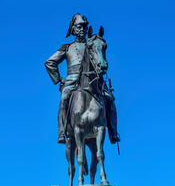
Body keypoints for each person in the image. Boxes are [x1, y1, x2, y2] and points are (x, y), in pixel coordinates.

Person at [45, 13, 120, 145]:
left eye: (84, 27)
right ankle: (62, 131)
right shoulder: (67, 48)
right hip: (72, 79)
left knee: (110, 98)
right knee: (64, 99)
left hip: (94, 79)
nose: (83, 30)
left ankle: (113, 132)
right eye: (79, 27)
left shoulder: (92, 44)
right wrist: (60, 80)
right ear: (73, 29)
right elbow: (50, 62)